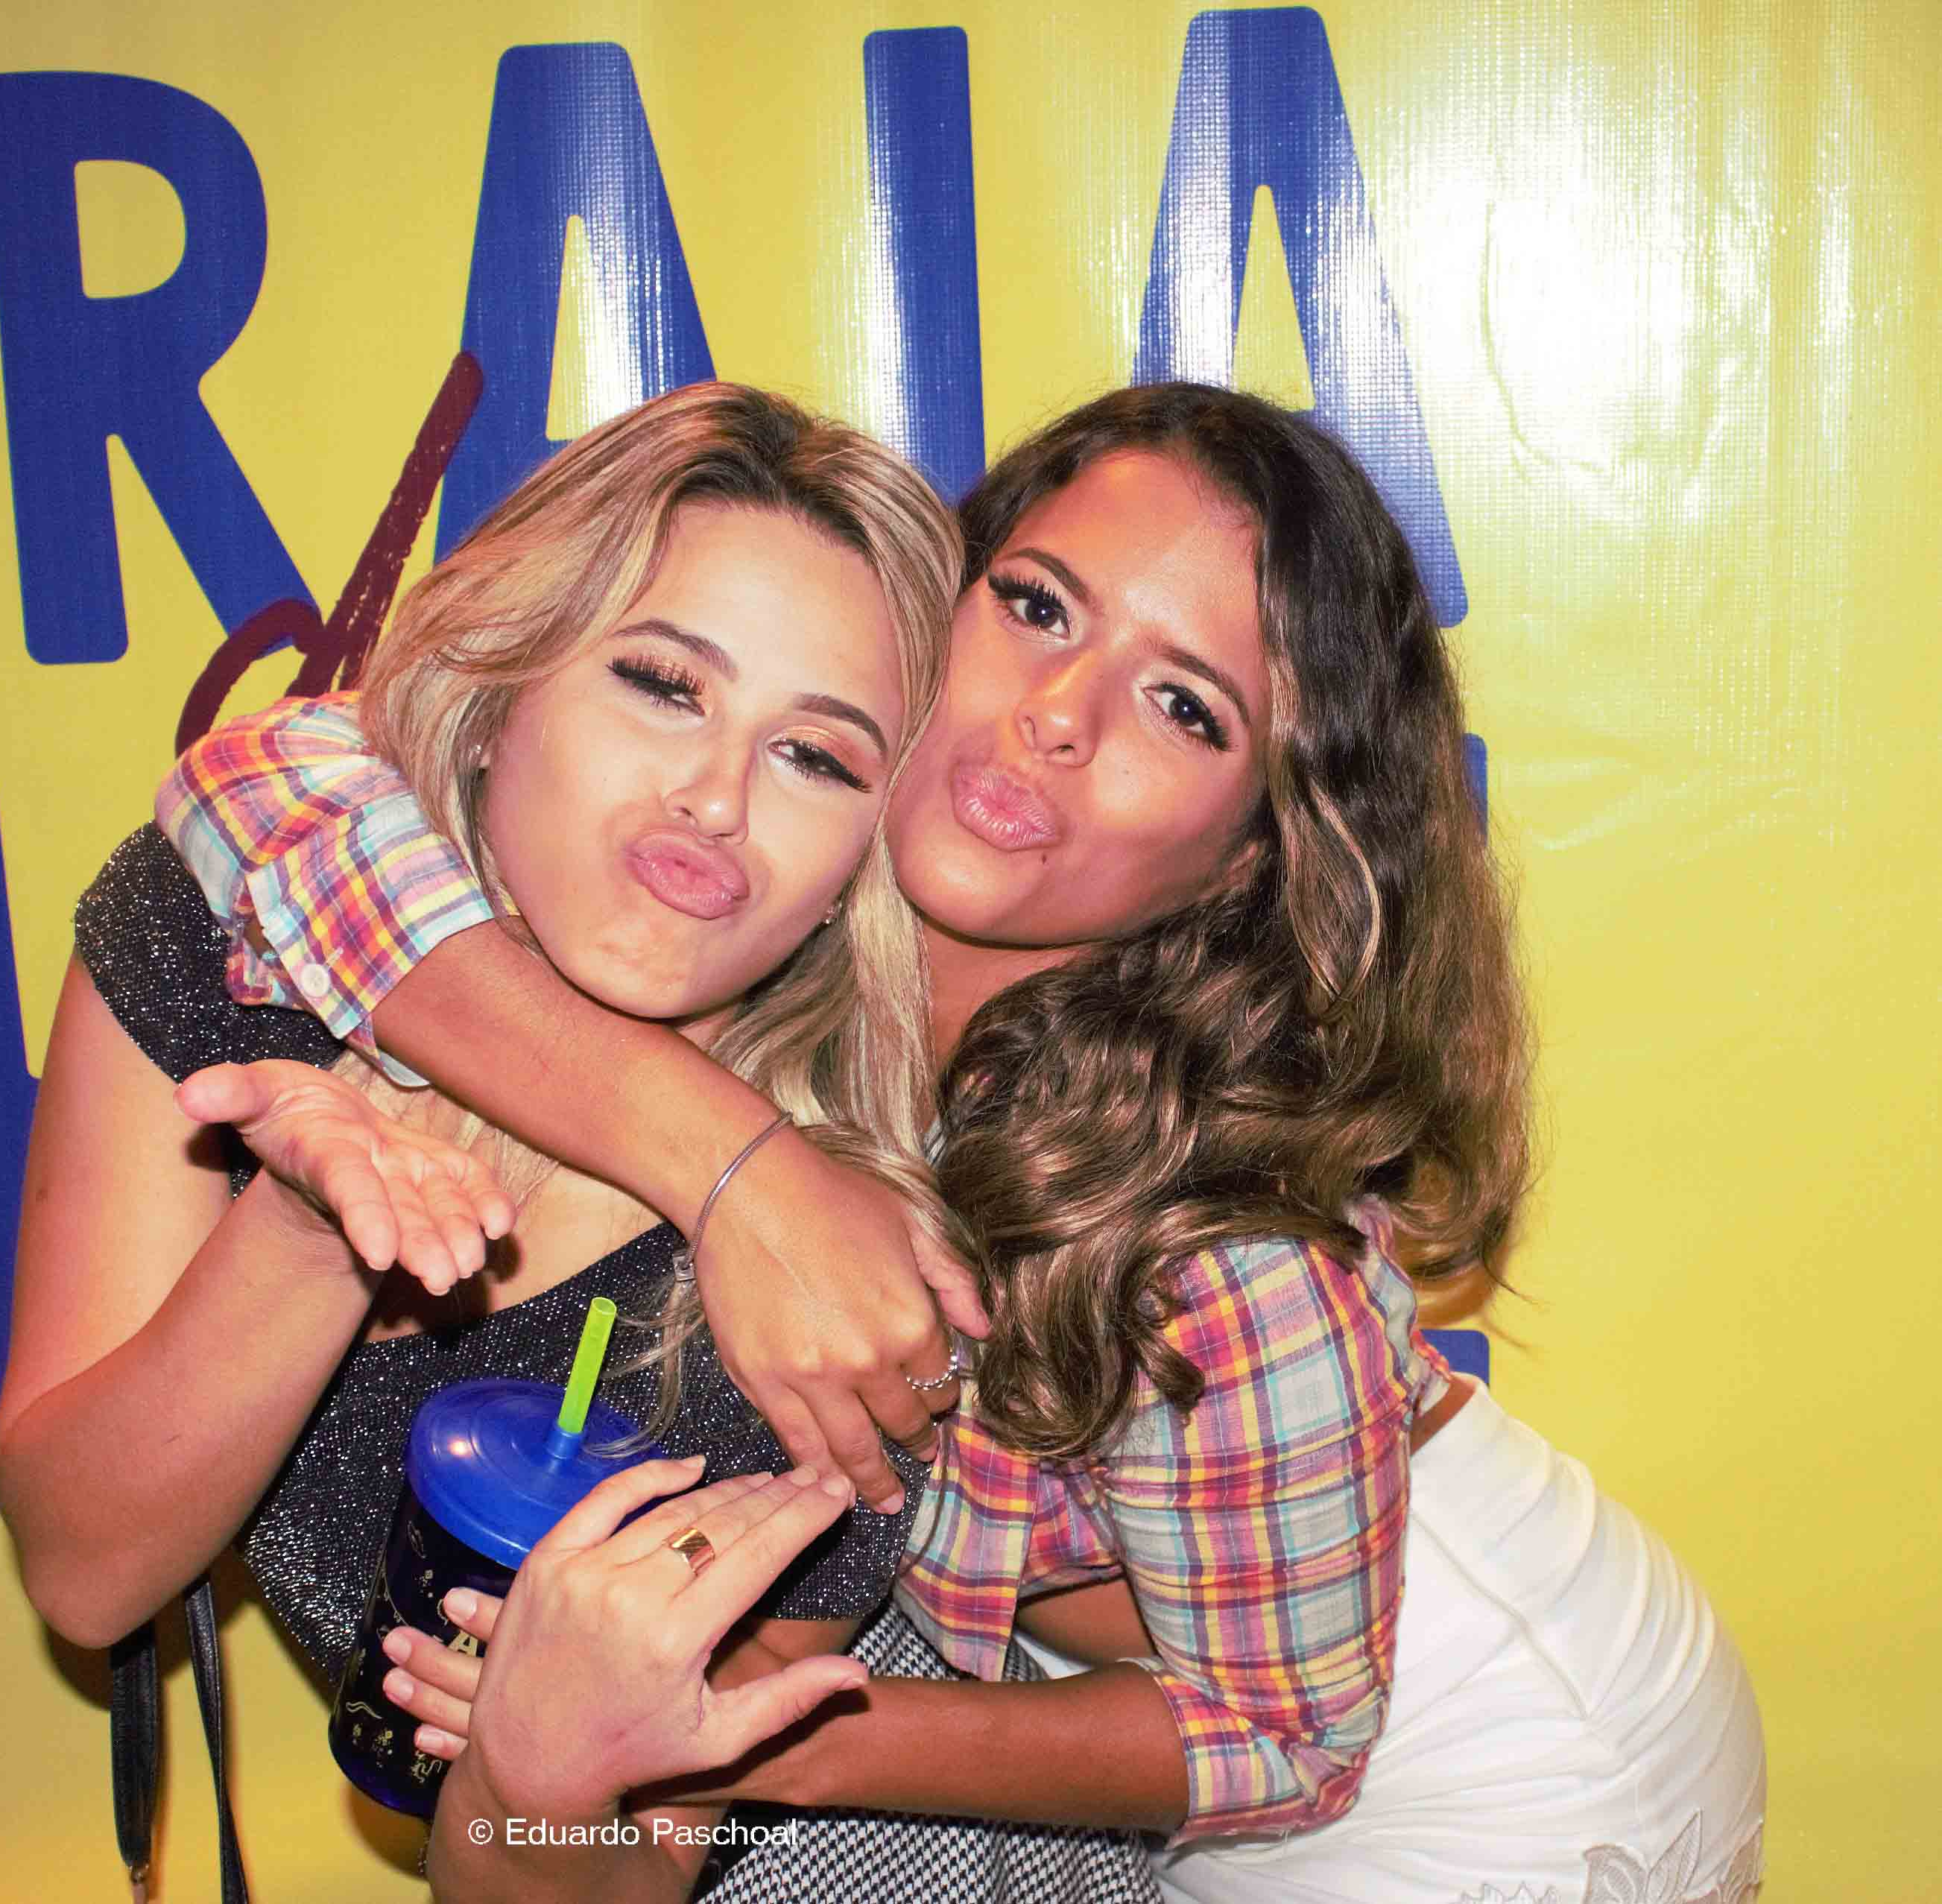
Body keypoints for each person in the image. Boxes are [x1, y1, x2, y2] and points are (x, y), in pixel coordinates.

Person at [153, 382, 1768, 1901]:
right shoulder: (773, 840)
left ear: (1244, 857)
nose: (1057, 715)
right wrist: (727, 1159)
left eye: (1184, 707)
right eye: (1039, 607)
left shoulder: (1225, 1245)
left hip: (1482, 1753)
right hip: (1153, 1717)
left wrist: (739, 1739)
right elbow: (268, 783)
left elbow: (1286, 1741)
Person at [0, 380, 1160, 1902]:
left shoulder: (852, 1264)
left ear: (861, 866)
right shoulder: (231, 949)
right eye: (663, 684)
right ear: (501, 689)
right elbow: (87, 1573)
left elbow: (597, 1871)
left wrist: (542, 1773)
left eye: (816, 758)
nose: (716, 798)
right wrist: (308, 1231)